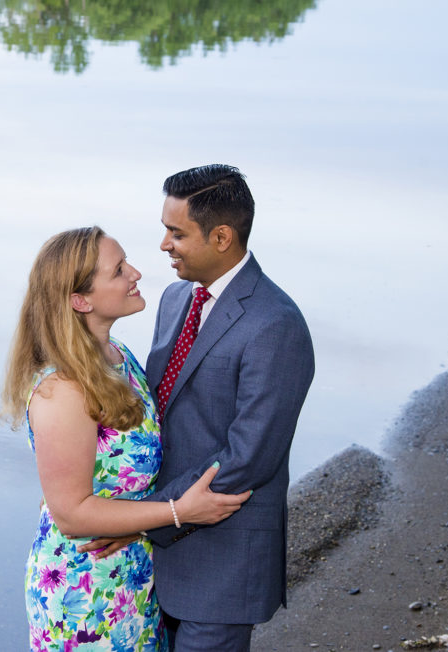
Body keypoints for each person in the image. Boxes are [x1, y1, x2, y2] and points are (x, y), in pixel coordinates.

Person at [0, 226, 251, 651]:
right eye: (118, 271)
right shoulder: (63, 390)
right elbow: (72, 515)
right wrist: (178, 511)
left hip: (133, 575)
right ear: (80, 300)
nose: (135, 273)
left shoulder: (116, 356)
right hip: (85, 591)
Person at [142, 164, 315, 651]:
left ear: (221, 236)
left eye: (176, 233)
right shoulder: (176, 299)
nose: (164, 245)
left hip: (223, 559)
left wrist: (149, 516)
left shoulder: (276, 324)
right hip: (155, 555)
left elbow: (249, 455)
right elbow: (162, 409)